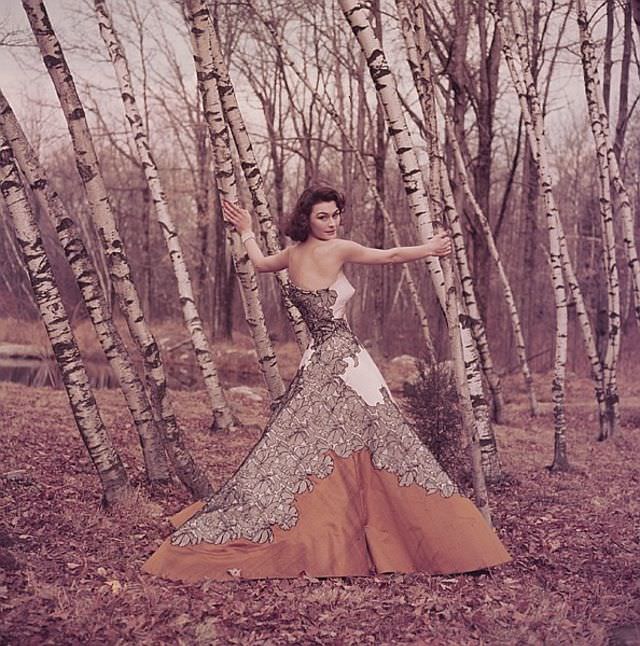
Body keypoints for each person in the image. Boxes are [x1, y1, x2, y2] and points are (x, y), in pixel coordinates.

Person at [142, 186, 510, 582]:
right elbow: (390, 256)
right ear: (306, 219)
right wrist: (431, 248)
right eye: (323, 216)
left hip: (319, 357)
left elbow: (263, 264)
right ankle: (428, 537)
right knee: (386, 437)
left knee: (325, 442)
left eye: (336, 215)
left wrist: (247, 230)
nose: (332, 223)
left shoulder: (292, 254)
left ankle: (365, 523)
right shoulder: (336, 250)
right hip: (345, 359)